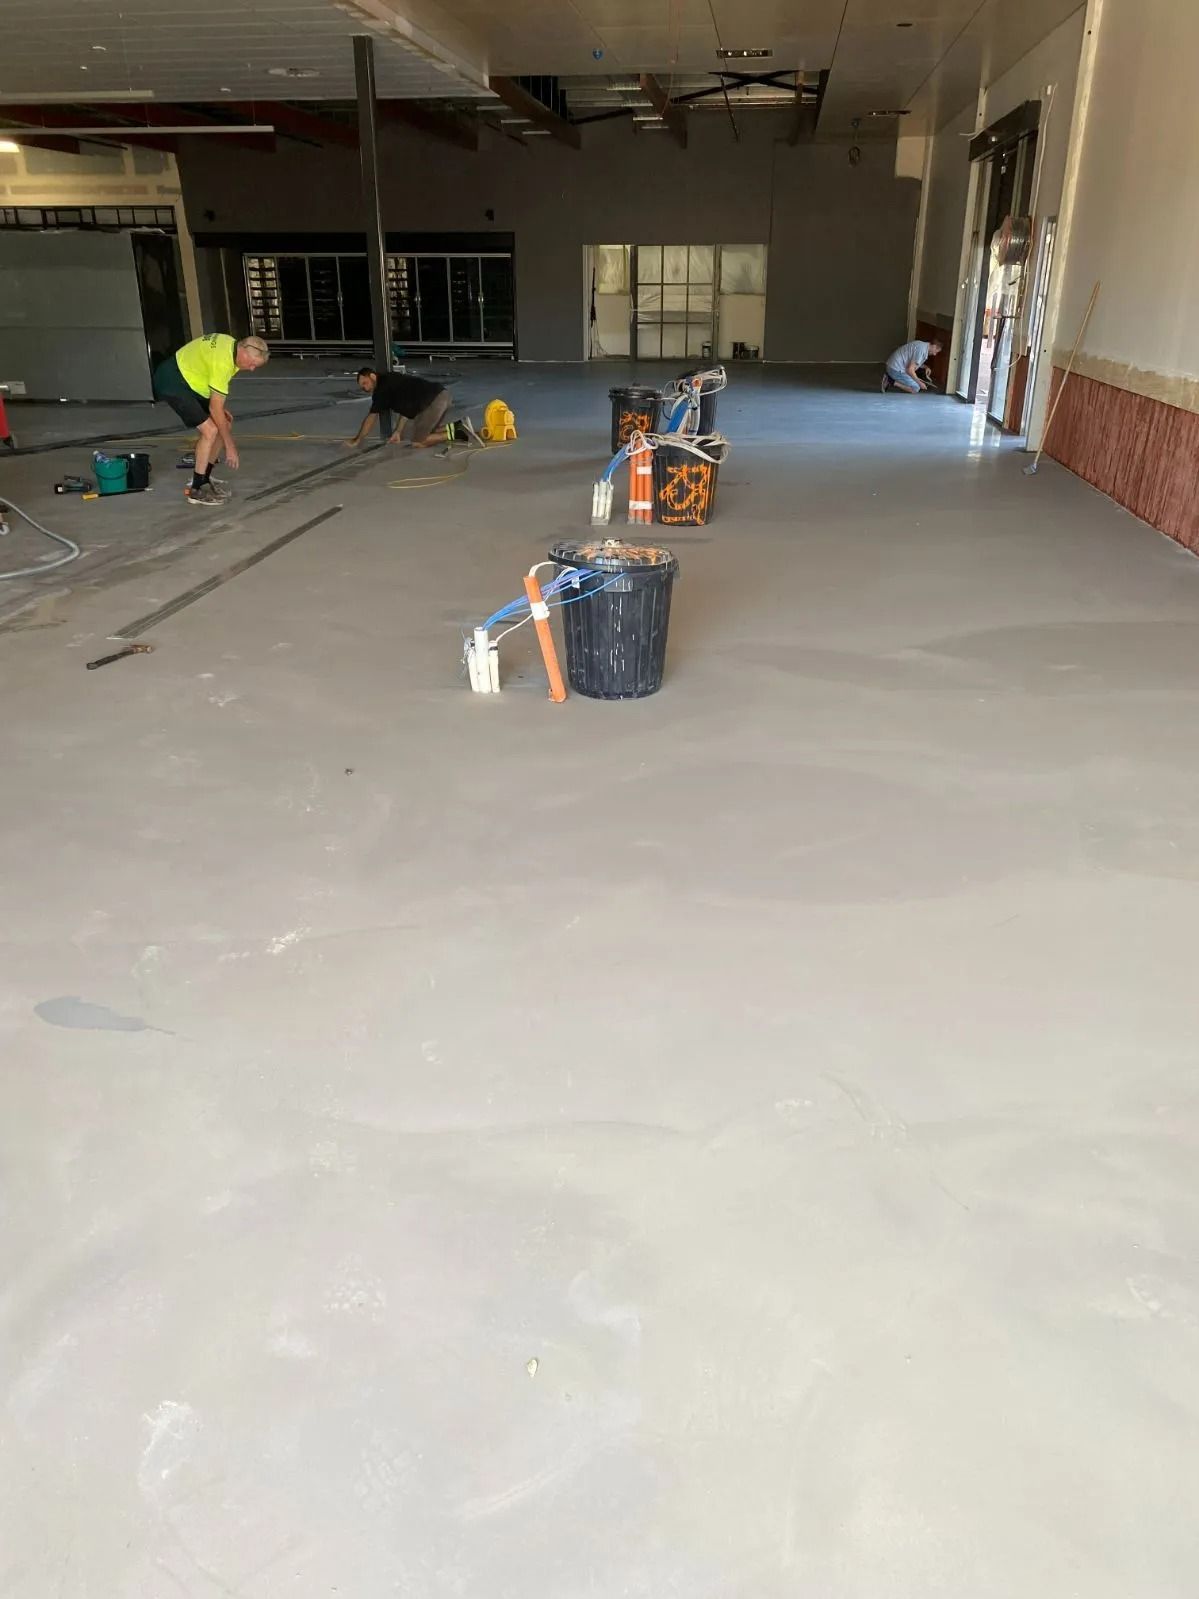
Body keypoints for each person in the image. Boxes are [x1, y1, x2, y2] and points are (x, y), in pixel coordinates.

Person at [153, 334, 270, 505]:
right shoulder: (223, 362)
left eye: (256, 366)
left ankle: (204, 479)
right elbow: (214, 406)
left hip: (193, 381)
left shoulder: (231, 347)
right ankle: (196, 489)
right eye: (252, 364)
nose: (252, 369)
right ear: (243, 351)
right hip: (173, 381)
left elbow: (216, 399)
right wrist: (230, 447)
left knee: (224, 423)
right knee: (211, 430)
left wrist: (219, 410)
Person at [345, 368, 453, 450]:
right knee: (427, 431)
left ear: (373, 376)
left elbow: (371, 418)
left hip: (434, 401)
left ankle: (459, 433)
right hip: (443, 395)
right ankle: (459, 426)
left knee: (419, 442)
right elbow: (405, 409)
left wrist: (357, 440)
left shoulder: (381, 389)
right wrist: (398, 431)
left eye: (365, 383)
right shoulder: (391, 379)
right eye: (362, 387)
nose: (365, 388)